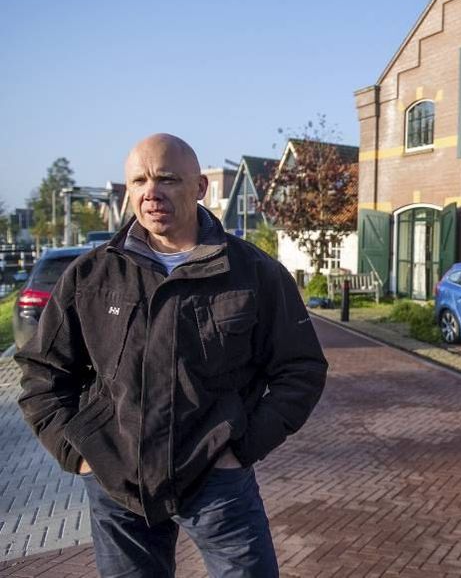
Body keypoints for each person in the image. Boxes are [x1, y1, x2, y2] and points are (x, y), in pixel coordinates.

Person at [16, 133, 328, 577]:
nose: (151, 192)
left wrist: (241, 446)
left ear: (200, 187)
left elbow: (302, 368)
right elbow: (43, 372)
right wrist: (79, 452)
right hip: (116, 482)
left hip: (216, 480)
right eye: (139, 181)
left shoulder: (254, 272)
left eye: (166, 178)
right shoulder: (91, 274)